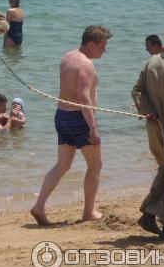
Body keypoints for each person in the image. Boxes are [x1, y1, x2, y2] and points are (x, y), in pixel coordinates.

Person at [30, 25, 112, 225]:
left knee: (62, 165)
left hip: (62, 116)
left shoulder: (67, 57)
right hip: (79, 119)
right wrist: (92, 126)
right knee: (95, 166)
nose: (105, 50)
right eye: (102, 46)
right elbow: (83, 96)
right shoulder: (86, 64)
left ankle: (39, 206)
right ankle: (89, 212)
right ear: (90, 44)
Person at [133, 21, 164, 239]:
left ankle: (150, 213)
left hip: (155, 129)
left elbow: (137, 92)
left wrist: (148, 110)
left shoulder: (150, 62)